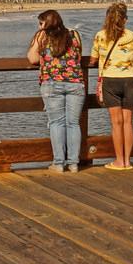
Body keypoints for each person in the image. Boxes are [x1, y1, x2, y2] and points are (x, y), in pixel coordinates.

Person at [26, 9, 85, 173]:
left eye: (41, 22)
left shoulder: (42, 36)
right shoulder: (74, 34)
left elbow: (32, 58)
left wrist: (39, 36)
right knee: (73, 123)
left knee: (56, 123)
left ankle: (58, 163)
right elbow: (78, 55)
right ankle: (73, 164)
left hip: (52, 83)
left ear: (47, 23)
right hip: (75, 83)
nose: (39, 26)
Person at [89, 2, 133, 170]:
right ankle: (127, 161)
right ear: (124, 20)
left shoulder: (100, 35)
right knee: (128, 122)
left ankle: (119, 160)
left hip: (111, 79)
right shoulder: (132, 35)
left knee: (116, 123)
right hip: (131, 79)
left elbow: (93, 59)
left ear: (107, 18)